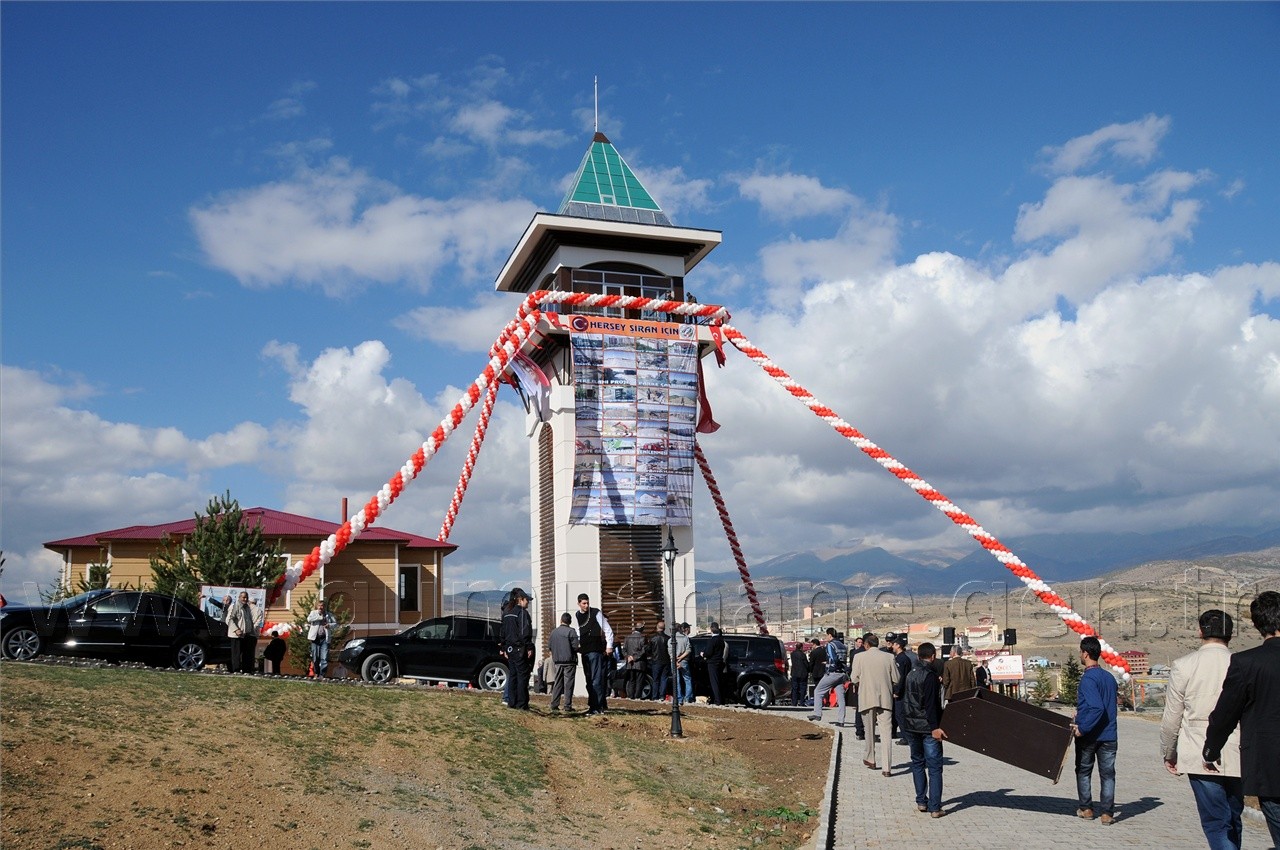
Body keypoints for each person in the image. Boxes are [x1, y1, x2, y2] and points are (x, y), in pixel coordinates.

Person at [1160, 609, 1242, 850]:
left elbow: (1172, 716)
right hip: (1239, 749)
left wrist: (1168, 751)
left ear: (1200, 632)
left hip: (1199, 749)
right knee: (1234, 817)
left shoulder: (1183, 665)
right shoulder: (1242, 663)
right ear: (1231, 633)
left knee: (1216, 822)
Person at [1204, 590, 1280, 848]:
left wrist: (1211, 748)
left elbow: (1226, 713)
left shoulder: (1247, 663)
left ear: (1258, 624)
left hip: (1271, 768)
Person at [1074, 635, 1119, 824]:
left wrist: (1082, 728)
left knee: (1084, 771)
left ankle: (1086, 809)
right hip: (1109, 734)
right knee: (1107, 774)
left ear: (1085, 653)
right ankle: (1107, 813)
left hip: (1090, 736)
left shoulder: (1088, 679)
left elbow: (1096, 707)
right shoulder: (1109, 677)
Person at [903, 642, 948, 817]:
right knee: (935, 767)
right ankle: (935, 807)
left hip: (912, 726)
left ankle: (921, 801)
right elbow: (930, 705)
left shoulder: (910, 675)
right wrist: (935, 728)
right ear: (933, 656)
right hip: (928, 728)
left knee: (917, 763)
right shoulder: (929, 676)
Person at [850, 633, 898, 773]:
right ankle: (887, 767)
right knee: (886, 732)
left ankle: (871, 758)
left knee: (869, 731)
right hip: (885, 699)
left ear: (866, 644)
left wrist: (863, 684)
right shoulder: (889, 657)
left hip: (867, 698)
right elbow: (896, 678)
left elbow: (854, 678)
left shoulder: (859, 657)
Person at [574, 593, 614, 715]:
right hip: (585, 651)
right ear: (579, 604)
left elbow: (608, 630)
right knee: (589, 680)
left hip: (595, 651)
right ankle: (593, 705)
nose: (586, 606)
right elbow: (578, 631)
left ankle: (598, 706)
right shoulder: (577, 615)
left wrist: (609, 646)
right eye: (584, 603)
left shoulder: (596, 613)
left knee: (596, 680)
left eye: (587, 603)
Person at [501, 588, 534, 710]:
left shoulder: (507, 613)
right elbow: (525, 632)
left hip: (510, 649)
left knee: (513, 675)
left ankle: (511, 702)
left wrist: (504, 647)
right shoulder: (522, 613)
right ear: (520, 600)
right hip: (520, 648)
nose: (528, 603)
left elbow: (503, 632)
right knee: (522, 676)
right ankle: (522, 704)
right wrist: (529, 646)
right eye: (527, 600)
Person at [807, 631, 849, 726]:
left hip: (833, 672)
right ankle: (841, 720)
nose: (825, 637)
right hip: (842, 673)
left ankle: (817, 713)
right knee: (841, 697)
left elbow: (833, 658)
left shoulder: (830, 645)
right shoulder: (843, 646)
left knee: (818, 691)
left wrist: (829, 664)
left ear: (830, 635)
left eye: (826, 635)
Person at [224, 590, 263, 674]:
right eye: (243, 597)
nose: (245, 599)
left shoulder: (247, 608)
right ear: (239, 598)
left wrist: (251, 632)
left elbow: (249, 621)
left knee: (247, 654)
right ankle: (236, 670)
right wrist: (236, 630)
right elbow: (229, 620)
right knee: (236, 654)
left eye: (246, 597)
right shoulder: (235, 606)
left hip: (246, 635)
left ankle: (246, 670)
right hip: (236, 635)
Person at [548, 612, 580, 712]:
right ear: (569, 622)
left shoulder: (554, 632)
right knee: (568, 684)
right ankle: (567, 705)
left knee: (557, 683)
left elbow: (550, 647)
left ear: (561, 620)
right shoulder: (571, 632)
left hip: (557, 661)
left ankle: (554, 704)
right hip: (569, 662)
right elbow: (575, 647)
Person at [890, 635, 916, 743]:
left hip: (901, 691)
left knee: (900, 714)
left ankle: (906, 737)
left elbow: (900, 677)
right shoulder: (903, 658)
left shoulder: (901, 659)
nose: (892, 647)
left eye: (894, 644)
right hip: (903, 690)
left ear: (898, 645)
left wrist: (897, 691)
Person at [305, 599, 338, 678]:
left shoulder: (329, 615)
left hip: (324, 639)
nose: (320, 607)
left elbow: (336, 624)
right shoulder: (313, 613)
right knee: (315, 658)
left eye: (322, 606)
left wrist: (329, 625)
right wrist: (319, 617)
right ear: (317, 606)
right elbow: (309, 619)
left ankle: (322, 674)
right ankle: (316, 672)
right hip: (315, 638)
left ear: (325, 607)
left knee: (324, 657)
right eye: (319, 606)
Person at [622, 621, 649, 699]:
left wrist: (628, 657)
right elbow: (643, 651)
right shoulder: (643, 638)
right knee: (639, 680)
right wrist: (634, 658)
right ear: (641, 628)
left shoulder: (627, 637)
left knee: (631, 680)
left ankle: (631, 696)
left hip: (630, 663)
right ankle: (637, 696)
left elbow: (624, 650)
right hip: (639, 663)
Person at [704, 622, 727, 705]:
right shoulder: (721, 641)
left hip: (712, 663)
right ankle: (720, 699)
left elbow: (708, 652)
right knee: (719, 681)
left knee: (714, 682)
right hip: (719, 662)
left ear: (711, 629)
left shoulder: (712, 641)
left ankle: (717, 700)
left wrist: (703, 654)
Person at [649, 618, 671, 702]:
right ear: (664, 628)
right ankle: (662, 695)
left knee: (655, 679)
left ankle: (655, 696)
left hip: (656, 661)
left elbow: (648, 649)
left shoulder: (653, 638)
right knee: (664, 679)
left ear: (656, 627)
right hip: (666, 661)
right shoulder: (668, 638)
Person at [671, 622, 693, 705]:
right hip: (684, 661)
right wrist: (681, 657)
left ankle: (679, 698)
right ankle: (687, 698)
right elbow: (688, 650)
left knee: (676, 680)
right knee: (687, 679)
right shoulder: (685, 638)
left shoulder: (671, 640)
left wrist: (676, 660)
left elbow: (670, 652)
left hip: (674, 661)